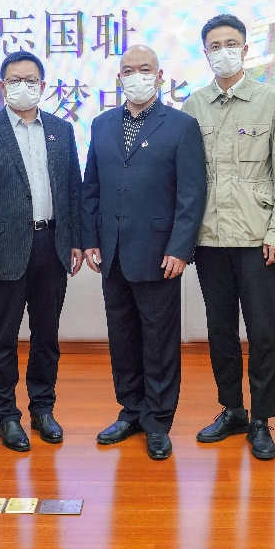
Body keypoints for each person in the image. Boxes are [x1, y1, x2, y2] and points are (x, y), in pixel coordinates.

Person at [181, 14, 275, 461]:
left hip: (257, 239)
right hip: (209, 239)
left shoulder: (272, 101)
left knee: (263, 332)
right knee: (220, 331)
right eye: (215, 46)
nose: (224, 52)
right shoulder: (193, 106)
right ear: (205, 53)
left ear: (246, 49)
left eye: (231, 44)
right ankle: (232, 409)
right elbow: (186, 178)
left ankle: (262, 419)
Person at [82, 45, 206, 461]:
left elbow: (191, 194)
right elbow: (91, 187)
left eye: (145, 68)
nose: (136, 75)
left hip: (159, 254)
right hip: (112, 253)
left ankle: (158, 420)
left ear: (160, 75)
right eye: (128, 70)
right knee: (122, 337)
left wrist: (180, 248)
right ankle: (130, 411)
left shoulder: (181, 126)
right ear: (119, 77)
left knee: (159, 341)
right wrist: (90, 238)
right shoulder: (101, 124)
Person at [0, 50, 84, 453]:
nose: (23, 87)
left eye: (31, 80)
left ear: (43, 86)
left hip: (52, 244)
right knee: (3, 338)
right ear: (1, 86)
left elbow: (73, 189)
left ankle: (43, 408)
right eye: (14, 80)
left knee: (47, 336)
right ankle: (6, 415)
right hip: (4, 249)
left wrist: (76, 240)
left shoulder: (61, 130)